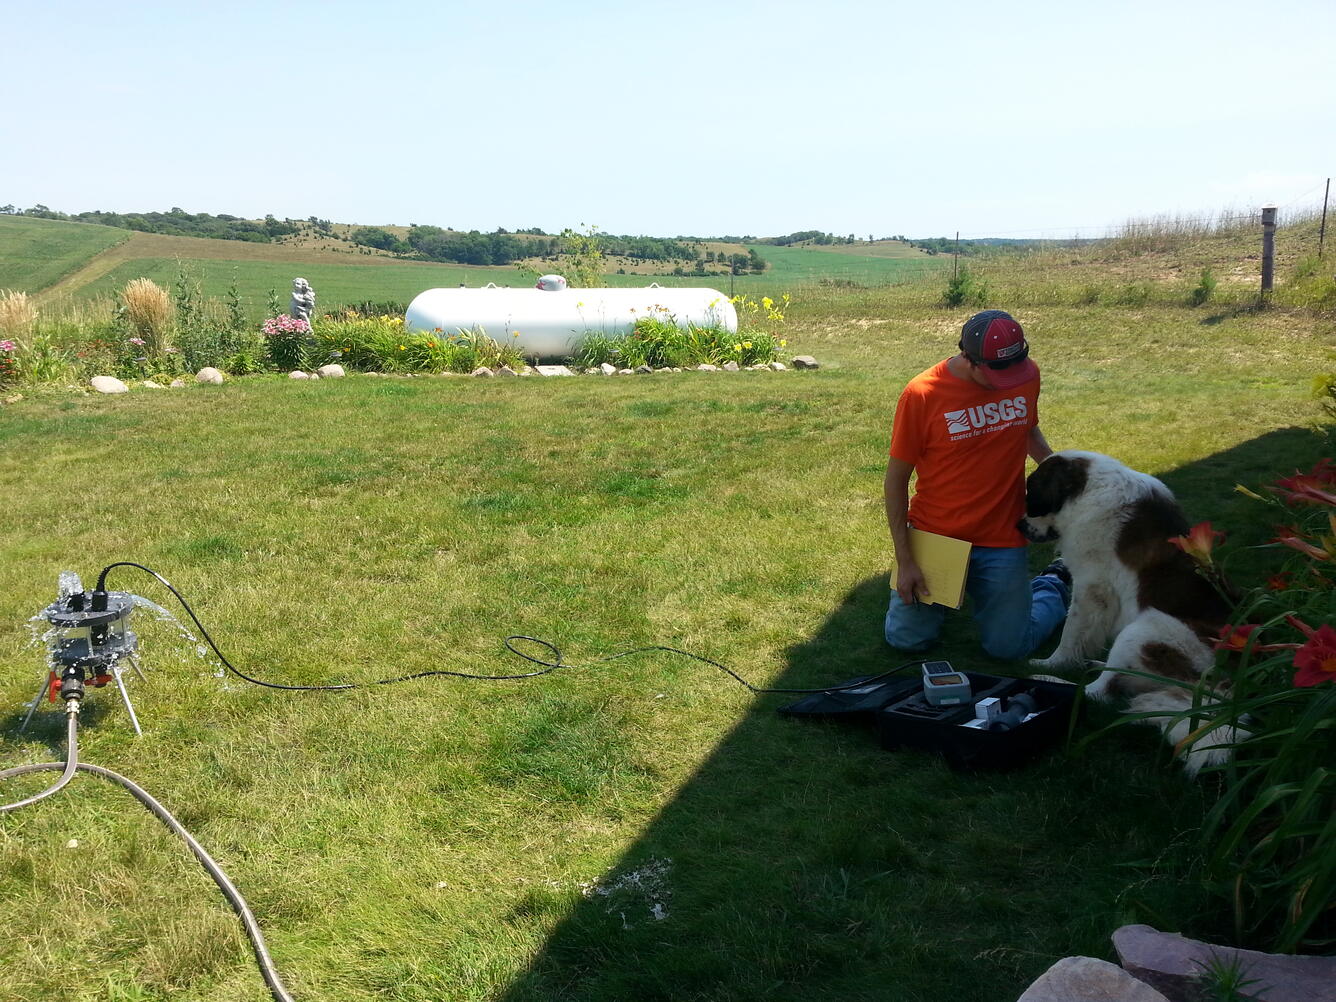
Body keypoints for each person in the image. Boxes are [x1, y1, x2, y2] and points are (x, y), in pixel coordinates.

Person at [883, 309, 1069, 660]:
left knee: (1009, 648)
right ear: (968, 358)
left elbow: (1027, 429)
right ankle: (947, 594)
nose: (1011, 381)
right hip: (937, 537)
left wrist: (1060, 471)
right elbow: (895, 482)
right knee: (906, 641)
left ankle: (1053, 584)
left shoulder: (1026, 377)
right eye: (999, 374)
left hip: (1001, 537)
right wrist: (906, 560)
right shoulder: (923, 394)